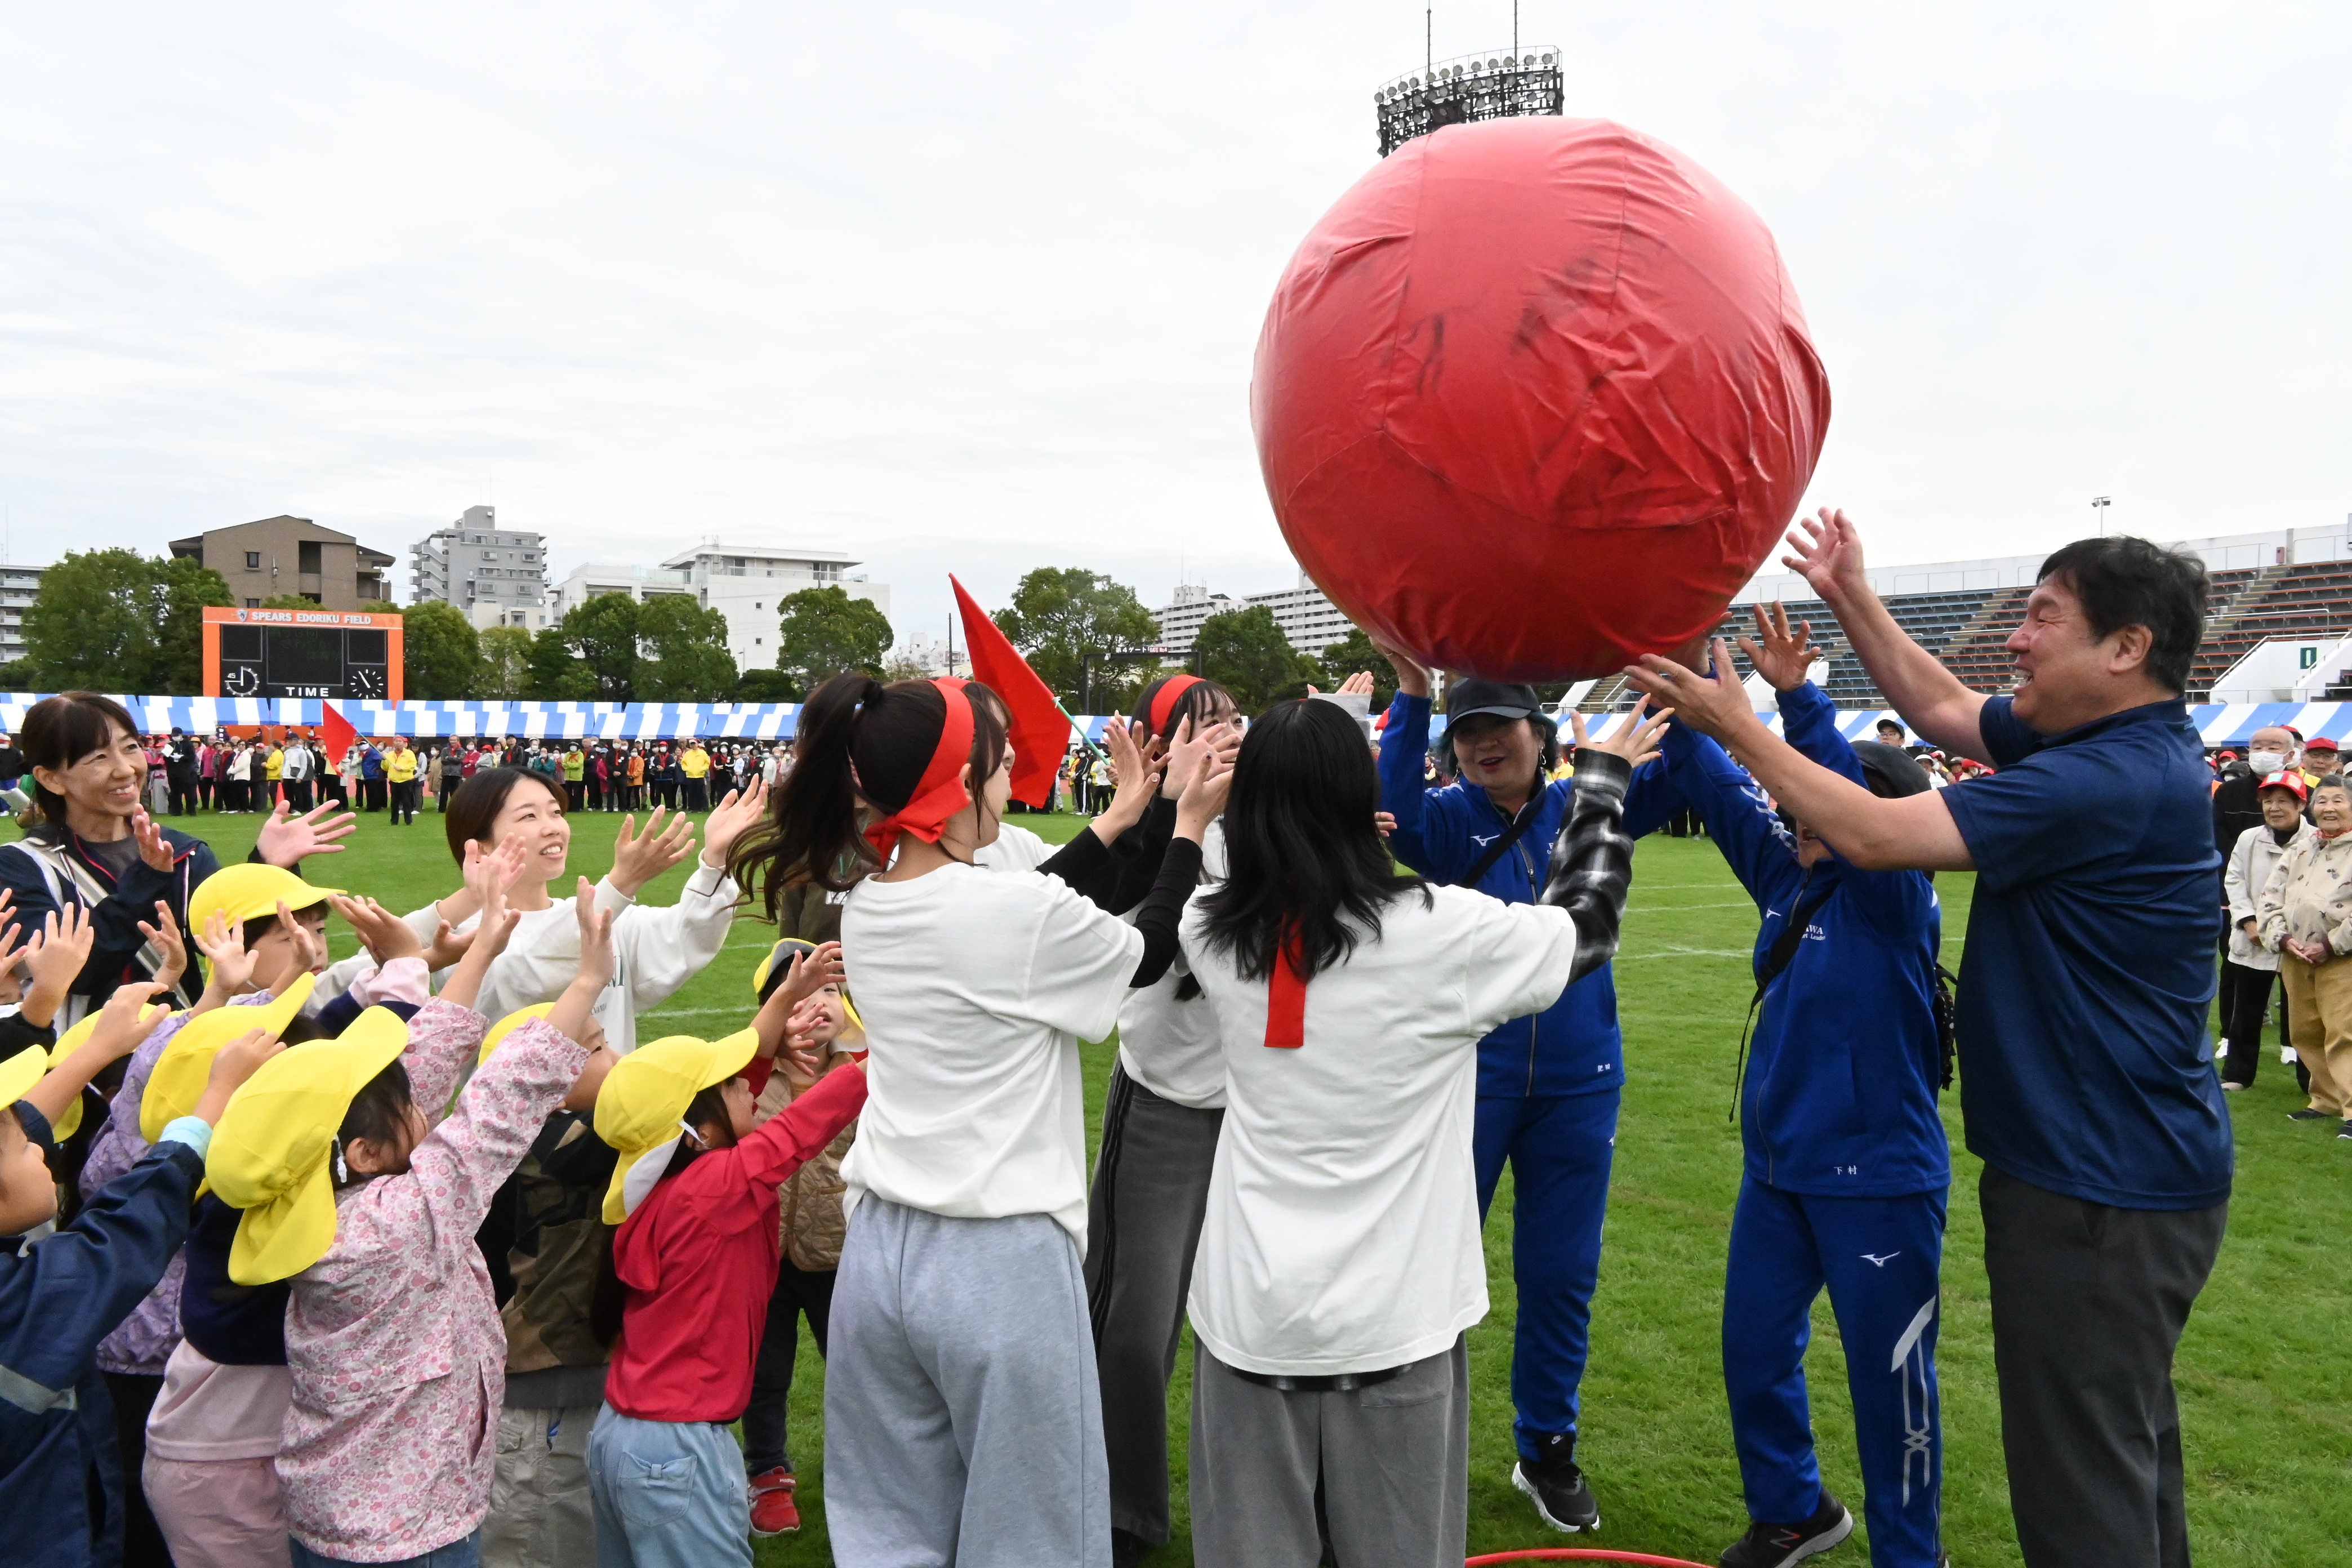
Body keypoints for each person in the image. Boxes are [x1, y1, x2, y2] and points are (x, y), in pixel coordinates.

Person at [1626, 515, 2232, 1568]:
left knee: (2080, 1496)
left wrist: (1738, 721)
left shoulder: (2111, 777)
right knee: (2124, 1460)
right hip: (2110, 1171)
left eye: (2044, 615)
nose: (2017, 638)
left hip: (2100, 1187)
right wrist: (1851, 593)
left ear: (2126, 647)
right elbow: (1944, 706)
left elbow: (1875, 833)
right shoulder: (2104, 743)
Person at [728, 674, 1215, 1566]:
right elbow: (1142, 953)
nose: (1008, 783)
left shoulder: (870, 903)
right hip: (1001, 1259)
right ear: (957, 785)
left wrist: (1119, 822)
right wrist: (1183, 825)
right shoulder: (1010, 908)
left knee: (892, 1533)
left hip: (881, 1254)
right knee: (1036, 1535)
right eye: (995, 767)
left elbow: (1017, 910)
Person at [1164, 695, 1657, 1568]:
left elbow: (1219, 884)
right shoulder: (1438, 933)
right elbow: (1587, 923)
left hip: (1250, 1316)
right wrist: (1602, 783)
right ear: (1366, 802)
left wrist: (1186, 807)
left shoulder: (1209, 928)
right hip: (1396, 1323)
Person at [201, 865, 604, 1567]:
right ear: (362, 1151)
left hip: (341, 1511)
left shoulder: (314, 1196)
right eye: (408, 1107)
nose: (426, 1107)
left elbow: (416, 1067)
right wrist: (587, 981)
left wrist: (477, 952)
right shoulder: (400, 1226)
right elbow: (501, 1102)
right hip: (408, 1535)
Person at [1658, 605, 1950, 1568]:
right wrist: (1696, 682)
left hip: (1878, 1180)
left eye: (1832, 802)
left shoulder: (1894, 897)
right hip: (1778, 1173)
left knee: (1890, 1383)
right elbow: (1723, 784)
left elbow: (1840, 804)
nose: (1803, 812)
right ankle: (1794, 1510)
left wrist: (1798, 698)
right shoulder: (1792, 882)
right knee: (1753, 1355)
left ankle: (1910, 1555)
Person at [1373, 645, 1689, 1533]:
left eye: (1497, 727)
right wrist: (1409, 699)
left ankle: (1546, 1446)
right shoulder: (1438, 819)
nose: (1481, 745)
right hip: (1467, 1078)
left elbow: (1693, 770)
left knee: (1561, 1276)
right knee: (1433, 1264)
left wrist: (1681, 679)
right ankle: (1407, 1436)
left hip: (1581, 1087)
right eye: (1465, 731)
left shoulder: (1595, 801)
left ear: (1537, 732)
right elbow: (1387, 809)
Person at [585, 955, 865, 1568]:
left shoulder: (663, 1178)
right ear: (695, 1126)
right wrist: (875, 1042)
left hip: (622, 1437)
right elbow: (800, 1129)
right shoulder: (713, 1188)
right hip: (675, 1454)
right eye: (731, 1081)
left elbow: (740, 1091)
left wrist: (787, 994)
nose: (750, 1083)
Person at [0, 983, 278, 1568]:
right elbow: (127, 1227)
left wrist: (96, 1050)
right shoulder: (22, 1307)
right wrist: (214, 1100)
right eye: (24, 1149)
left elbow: (19, 1125)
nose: (40, 1150)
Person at [1077, 673, 1244, 1562]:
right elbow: (1128, 947)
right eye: (1199, 727)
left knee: (1254, 1315)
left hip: (1262, 1109)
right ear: (1161, 746)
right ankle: (1123, 1513)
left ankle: (1258, 1502)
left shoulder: (1274, 825)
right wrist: (1168, 816)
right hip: (1169, 1101)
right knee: (1136, 1327)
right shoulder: (1142, 839)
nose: (1221, 740)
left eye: (1231, 724)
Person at [0, 694, 353, 1023]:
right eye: (99, 758)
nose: (125, 769)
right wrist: (148, 876)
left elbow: (232, 944)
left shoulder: (184, 850)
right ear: (52, 779)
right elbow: (75, 974)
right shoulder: (23, 867)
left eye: (130, 748)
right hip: (78, 1068)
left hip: (176, 1048)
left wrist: (267, 867)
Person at [738, 938, 863, 1539]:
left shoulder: (864, 1070)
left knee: (858, 1370)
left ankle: (869, 1469)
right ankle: (766, 1471)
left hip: (841, 1257)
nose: (819, 1005)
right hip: (761, 1259)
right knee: (764, 1372)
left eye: (831, 991)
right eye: (801, 994)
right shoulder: (746, 1076)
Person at [2256, 773, 2352, 1130]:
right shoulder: (2301, 847)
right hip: (2296, 955)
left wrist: (2330, 945)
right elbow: (2270, 897)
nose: (2328, 808)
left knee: (2345, 1032)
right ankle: (2325, 1100)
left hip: (2342, 957)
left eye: (2338, 801)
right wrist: (2282, 940)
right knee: (2306, 1032)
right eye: (2322, 801)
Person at [2218, 771, 2309, 1093]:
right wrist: (2248, 922)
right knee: (2246, 1009)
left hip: (2298, 941)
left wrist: (2287, 932)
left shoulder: (2314, 840)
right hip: (2252, 936)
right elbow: (2234, 881)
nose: (2275, 808)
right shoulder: (2248, 838)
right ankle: (2238, 1074)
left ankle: (2311, 1081)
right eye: (2268, 801)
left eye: (2283, 801)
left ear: (2301, 804)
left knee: (2302, 1015)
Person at [386, 736, 420, 826]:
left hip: (406, 781)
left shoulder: (409, 754)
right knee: (394, 802)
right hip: (394, 781)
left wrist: (402, 768)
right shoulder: (389, 755)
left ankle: (408, 820)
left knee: (407, 802)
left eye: (400, 741)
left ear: (403, 743)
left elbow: (412, 765)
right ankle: (394, 821)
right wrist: (383, 761)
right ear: (393, 743)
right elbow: (386, 767)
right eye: (396, 741)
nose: (398, 743)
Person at [359, 739, 386, 813]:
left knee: (373, 792)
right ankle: (371, 806)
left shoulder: (372, 752)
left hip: (372, 775)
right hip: (368, 774)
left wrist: (376, 768)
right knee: (370, 792)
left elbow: (379, 759)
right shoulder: (367, 753)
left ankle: (374, 807)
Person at [440, 742, 466, 813]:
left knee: (455, 792)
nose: (453, 742)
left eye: (454, 740)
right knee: (444, 792)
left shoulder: (461, 750)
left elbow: (459, 760)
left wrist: (448, 758)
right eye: (451, 740)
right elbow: (443, 761)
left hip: (456, 773)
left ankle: (455, 808)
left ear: (458, 741)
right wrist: (454, 759)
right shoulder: (445, 750)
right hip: (446, 773)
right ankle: (442, 809)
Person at [561, 743, 585, 813]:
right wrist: (570, 765)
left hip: (577, 777)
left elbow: (578, 765)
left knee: (577, 793)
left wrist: (569, 765)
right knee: (568, 793)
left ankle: (577, 808)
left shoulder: (580, 755)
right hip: (568, 777)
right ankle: (569, 807)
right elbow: (564, 764)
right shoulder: (568, 754)